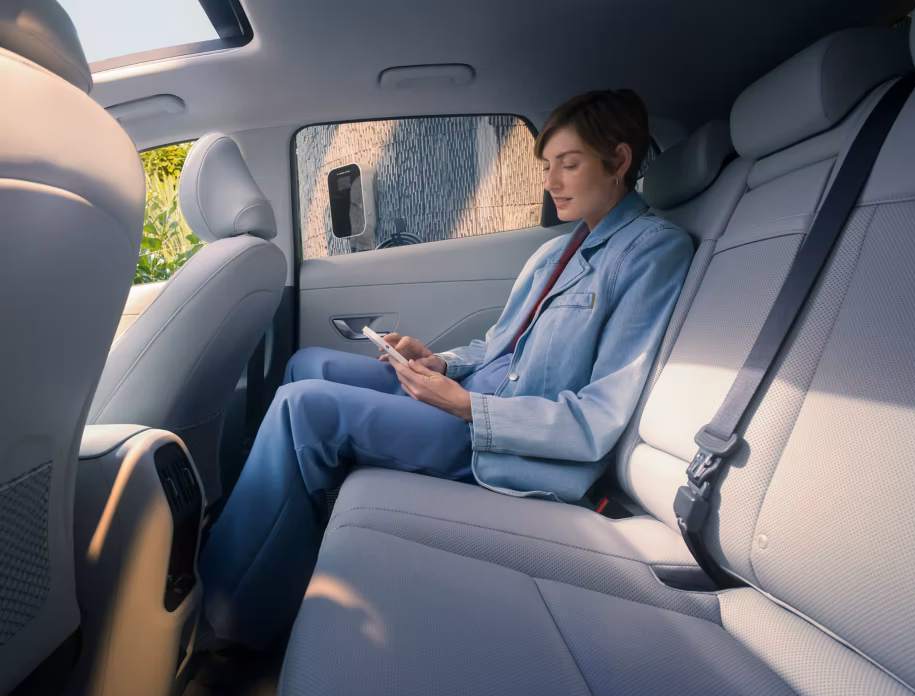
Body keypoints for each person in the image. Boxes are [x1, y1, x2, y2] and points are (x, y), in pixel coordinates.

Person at [199, 90, 694, 649]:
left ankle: (225, 616)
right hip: (467, 400)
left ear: (619, 160)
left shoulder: (652, 253)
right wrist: (439, 362)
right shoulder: (558, 251)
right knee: (305, 363)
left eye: (569, 164)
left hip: (503, 444)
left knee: (302, 410)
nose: (551, 181)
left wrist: (465, 406)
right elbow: (498, 344)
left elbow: (597, 419)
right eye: (545, 166)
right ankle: (277, 551)